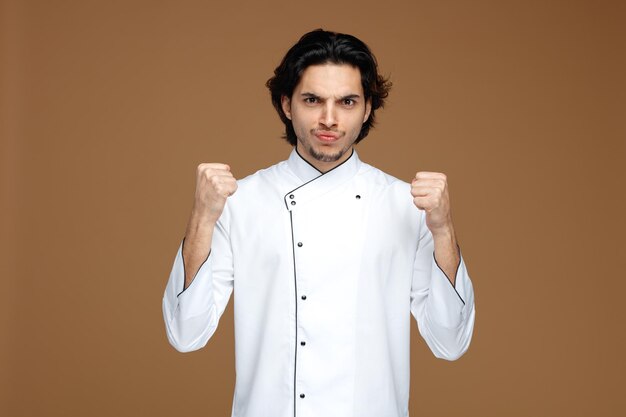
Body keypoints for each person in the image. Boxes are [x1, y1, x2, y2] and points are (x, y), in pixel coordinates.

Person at [162, 29, 475, 417]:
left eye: (346, 102)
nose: (329, 119)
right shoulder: (240, 202)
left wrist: (443, 230)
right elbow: (184, 334)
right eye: (313, 100)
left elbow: (451, 341)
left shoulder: (406, 204)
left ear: (366, 108)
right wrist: (202, 216)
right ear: (287, 104)